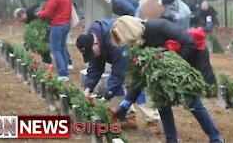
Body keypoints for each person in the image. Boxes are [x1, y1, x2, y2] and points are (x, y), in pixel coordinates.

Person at [110, 15, 223, 143]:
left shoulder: (158, 26)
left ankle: (216, 139)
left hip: (188, 58)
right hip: (163, 71)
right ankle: (171, 139)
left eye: (125, 40)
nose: (126, 45)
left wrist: (173, 67)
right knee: (161, 100)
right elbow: (138, 76)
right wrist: (126, 105)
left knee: (192, 101)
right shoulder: (138, 46)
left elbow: (188, 42)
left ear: (129, 33)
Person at [76, 19, 161, 133]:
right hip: (123, 58)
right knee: (116, 87)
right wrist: (87, 90)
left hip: (136, 52)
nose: (92, 56)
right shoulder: (93, 39)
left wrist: (106, 97)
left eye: (92, 53)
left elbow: (118, 72)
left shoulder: (112, 39)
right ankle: (128, 117)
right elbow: (95, 68)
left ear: (96, 44)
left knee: (138, 86)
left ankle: (152, 121)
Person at [36, 0, 71, 81]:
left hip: (57, 25)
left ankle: (62, 73)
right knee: (62, 48)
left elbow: (48, 11)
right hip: (66, 24)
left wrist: (39, 14)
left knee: (55, 49)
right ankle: (65, 71)